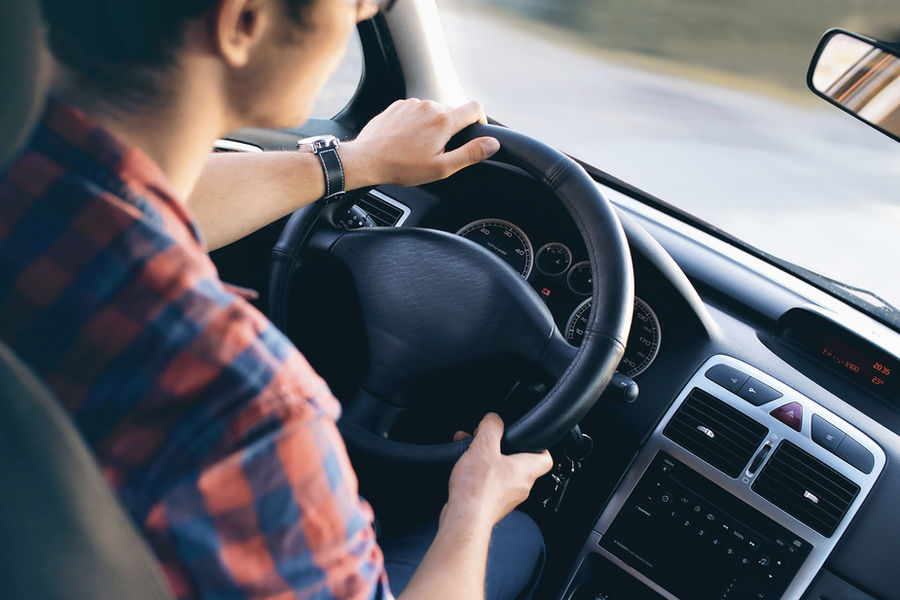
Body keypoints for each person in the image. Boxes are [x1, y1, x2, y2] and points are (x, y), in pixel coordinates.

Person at [0, 0, 554, 599]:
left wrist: (355, 162)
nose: (365, 10)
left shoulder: (27, 176)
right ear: (243, 21)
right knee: (514, 537)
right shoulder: (243, 407)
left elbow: (139, 202)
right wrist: (472, 509)